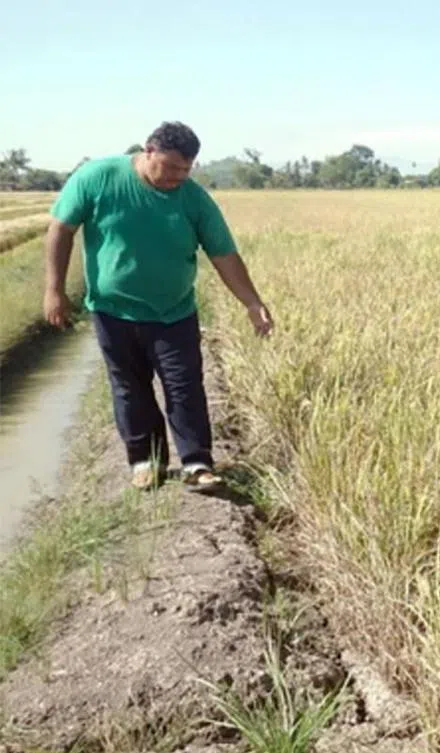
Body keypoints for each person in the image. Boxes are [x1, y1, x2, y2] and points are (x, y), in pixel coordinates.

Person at [42, 121, 273, 492]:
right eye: (171, 167)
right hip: (112, 311)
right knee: (129, 386)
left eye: (186, 170)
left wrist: (252, 302)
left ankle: (197, 462)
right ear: (148, 151)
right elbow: (60, 230)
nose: (178, 177)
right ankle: (145, 461)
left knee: (184, 386)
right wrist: (54, 290)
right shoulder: (97, 178)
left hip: (173, 312)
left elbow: (223, 254)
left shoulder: (194, 199)